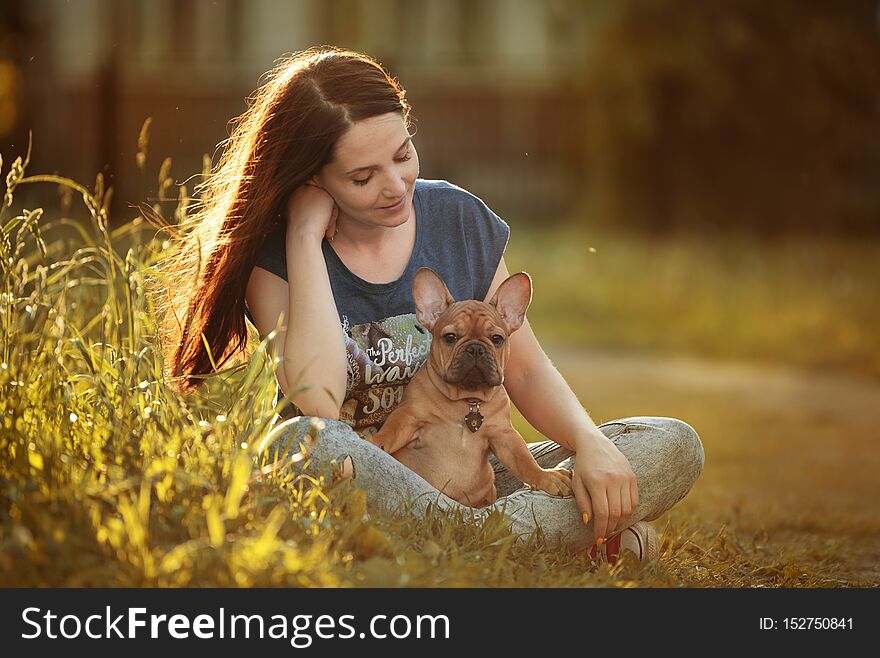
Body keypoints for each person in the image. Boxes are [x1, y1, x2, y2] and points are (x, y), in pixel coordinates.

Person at [157, 46, 704, 566]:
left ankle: (473, 535)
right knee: (306, 444)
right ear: (311, 181)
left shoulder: (458, 220)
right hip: (363, 473)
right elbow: (318, 405)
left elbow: (526, 368)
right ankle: (533, 536)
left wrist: (590, 444)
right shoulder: (277, 256)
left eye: (402, 155)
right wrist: (303, 236)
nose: (396, 186)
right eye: (363, 177)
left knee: (673, 443)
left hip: (472, 463)